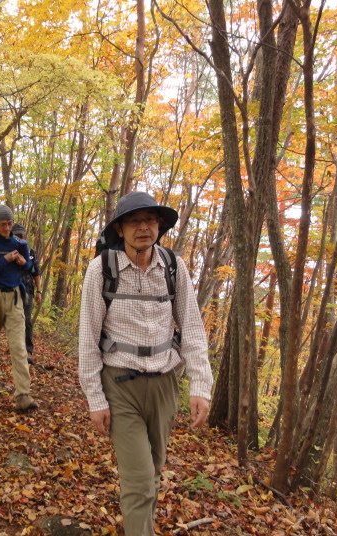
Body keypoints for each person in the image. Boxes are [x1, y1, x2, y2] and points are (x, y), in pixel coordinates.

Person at [78, 191, 213, 536]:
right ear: (119, 229)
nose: (144, 227)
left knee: (153, 472)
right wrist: (95, 398)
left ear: (159, 226)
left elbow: (193, 327)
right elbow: (88, 338)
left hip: (165, 384)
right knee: (139, 482)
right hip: (120, 385)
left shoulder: (173, 266)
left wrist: (201, 385)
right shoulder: (101, 269)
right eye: (134, 221)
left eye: (150, 220)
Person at [0, 205, 38, 411]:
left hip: (15, 298)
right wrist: (4, 260)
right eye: (3, 224)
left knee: (19, 346)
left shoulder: (21, 244)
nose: (7, 227)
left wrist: (23, 262)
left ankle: (23, 393)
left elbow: (30, 268)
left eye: (10, 223)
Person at [11, 223, 42, 365]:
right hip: (10, 289)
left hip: (27, 289)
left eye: (21, 235)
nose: (20, 238)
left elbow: (36, 272)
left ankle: (28, 351)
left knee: (27, 320)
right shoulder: (8, 252)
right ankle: (16, 349)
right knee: (14, 320)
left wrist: (39, 291)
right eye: (17, 236)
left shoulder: (31, 252)